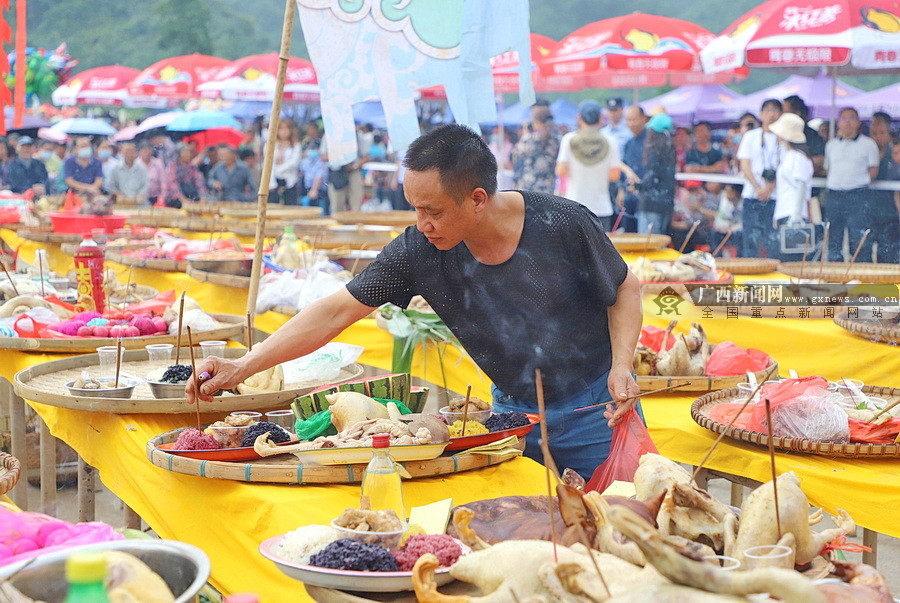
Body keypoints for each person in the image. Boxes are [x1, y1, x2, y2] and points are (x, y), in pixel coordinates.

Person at [186, 124, 643, 480]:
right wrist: (241, 367)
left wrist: (622, 364)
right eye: (414, 209)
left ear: (478, 199)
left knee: (619, 527)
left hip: (595, 410)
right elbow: (336, 311)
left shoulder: (561, 223)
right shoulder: (418, 250)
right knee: (530, 530)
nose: (422, 223)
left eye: (434, 211)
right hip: (512, 415)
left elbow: (625, 288)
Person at [555, 100, 621, 230]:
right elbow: (614, 176)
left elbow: (561, 170)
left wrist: (580, 170)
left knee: (575, 249)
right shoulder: (611, 141)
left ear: (579, 118)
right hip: (601, 208)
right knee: (600, 249)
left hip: (574, 205)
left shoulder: (568, 139)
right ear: (601, 118)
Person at [824, 108, 879, 262]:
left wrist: (856, 182)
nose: (847, 122)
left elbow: (873, 171)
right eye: (844, 118)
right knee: (833, 237)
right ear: (838, 122)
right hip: (834, 195)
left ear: (858, 122)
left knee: (860, 238)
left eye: (852, 118)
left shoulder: (868, 144)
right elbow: (828, 168)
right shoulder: (831, 145)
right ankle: (834, 279)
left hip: (858, 195)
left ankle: (862, 277)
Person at [737, 99, 783, 258]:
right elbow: (744, 165)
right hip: (752, 194)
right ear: (761, 114)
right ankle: (750, 281)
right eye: (768, 110)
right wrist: (758, 188)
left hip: (775, 196)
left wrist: (769, 188)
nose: (772, 114)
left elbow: (785, 168)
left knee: (773, 242)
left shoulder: (783, 138)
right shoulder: (751, 136)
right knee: (751, 241)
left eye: (776, 110)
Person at [769, 113, 814, 261]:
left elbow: (801, 185)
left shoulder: (798, 157)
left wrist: (796, 214)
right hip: (785, 211)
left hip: (793, 213)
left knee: (792, 259)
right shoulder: (788, 155)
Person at [635, 113, 677, 234]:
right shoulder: (671, 150)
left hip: (650, 204)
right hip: (666, 204)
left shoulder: (654, 150)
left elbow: (651, 176)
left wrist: (639, 186)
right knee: (660, 244)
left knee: (647, 245)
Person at [869, 112, 899, 263]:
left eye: (881, 132)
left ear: (889, 134)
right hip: (869, 212)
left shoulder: (895, 154)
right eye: (874, 133)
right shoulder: (865, 154)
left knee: (888, 255)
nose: (877, 137)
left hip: (890, 214)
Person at [511, 103, 561, 194]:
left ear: (536, 122)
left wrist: (525, 132)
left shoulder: (528, 139)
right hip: (548, 188)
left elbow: (515, 155)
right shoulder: (557, 140)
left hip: (528, 187)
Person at [616, 106, 648, 233]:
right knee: (628, 233)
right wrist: (621, 191)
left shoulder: (650, 142)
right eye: (628, 120)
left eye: (634, 119)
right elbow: (623, 168)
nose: (631, 123)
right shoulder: (629, 143)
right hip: (629, 198)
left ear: (643, 119)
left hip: (645, 199)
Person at [782, 95, 825, 176]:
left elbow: (820, 159)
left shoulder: (811, 135)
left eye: (784, 113)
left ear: (796, 114)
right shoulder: (780, 133)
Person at [270, 119, 302, 205]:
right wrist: (271, 183)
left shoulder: (296, 146)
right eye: (281, 128)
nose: (284, 131)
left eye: (286, 128)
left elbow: (294, 163)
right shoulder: (270, 145)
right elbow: (270, 164)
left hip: (290, 182)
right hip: (275, 182)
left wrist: (279, 169)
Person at [712, 184, 743, 257]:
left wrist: (732, 228)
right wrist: (725, 226)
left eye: (730, 192)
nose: (727, 194)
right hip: (726, 230)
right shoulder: (724, 201)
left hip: (737, 231)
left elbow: (744, 224)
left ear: (737, 193)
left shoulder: (743, 204)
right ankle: (717, 258)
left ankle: (739, 259)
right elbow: (718, 220)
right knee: (714, 233)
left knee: (740, 235)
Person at [301, 140, 330, 215]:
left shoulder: (322, 161)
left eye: (314, 148)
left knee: (321, 213)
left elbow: (319, 176)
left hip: (320, 191)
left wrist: (314, 190)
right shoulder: (305, 161)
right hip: (307, 190)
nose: (312, 150)